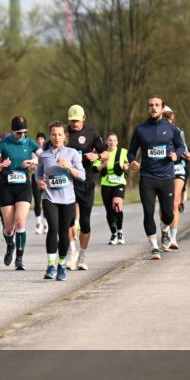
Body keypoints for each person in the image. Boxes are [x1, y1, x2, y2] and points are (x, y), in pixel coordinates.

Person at [127, 95, 186, 260]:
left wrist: (177, 154)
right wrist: (132, 161)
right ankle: (154, 247)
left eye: (156, 105)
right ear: (148, 108)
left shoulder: (172, 128)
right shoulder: (140, 129)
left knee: (168, 215)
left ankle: (165, 228)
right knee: (148, 212)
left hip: (167, 176)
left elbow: (181, 146)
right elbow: (132, 151)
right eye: (150, 105)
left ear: (162, 108)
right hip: (147, 177)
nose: (153, 108)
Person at [0, 116, 41, 271]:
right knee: (9, 228)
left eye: (24, 132)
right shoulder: (4, 144)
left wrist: (33, 162)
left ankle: (19, 258)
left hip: (23, 186)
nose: (21, 135)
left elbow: (44, 157)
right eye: (18, 133)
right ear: (12, 131)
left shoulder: (30, 143)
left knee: (20, 222)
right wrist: (0, 164)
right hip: (6, 187)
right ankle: (10, 246)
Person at [37, 121, 86, 281]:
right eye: (53, 134)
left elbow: (82, 175)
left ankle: (62, 265)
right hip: (50, 197)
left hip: (67, 200)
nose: (56, 137)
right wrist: (40, 182)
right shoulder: (44, 155)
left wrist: (68, 167)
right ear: (49, 136)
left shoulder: (72, 153)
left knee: (64, 232)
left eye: (59, 134)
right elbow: (38, 174)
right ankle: (51, 266)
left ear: (65, 136)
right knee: (53, 228)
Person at [64, 105, 107, 271]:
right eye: (72, 121)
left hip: (86, 182)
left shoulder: (92, 134)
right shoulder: (64, 134)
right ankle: (72, 251)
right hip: (68, 182)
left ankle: (82, 255)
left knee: (85, 223)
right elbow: (51, 148)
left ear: (84, 118)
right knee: (69, 219)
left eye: (77, 120)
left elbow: (106, 154)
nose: (74, 123)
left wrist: (96, 155)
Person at [162, 106, 190, 250]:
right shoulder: (155, 132)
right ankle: (165, 231)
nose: (166, 119)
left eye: (168, 116)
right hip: (163, 168)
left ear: (172, 118)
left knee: (174, 202)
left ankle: (174, 238)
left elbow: (185, 150)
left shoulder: (178, 131)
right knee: (165, 204)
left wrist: (188, 155)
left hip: (178, 167)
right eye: (164, 117)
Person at [94, 133, 128, 245]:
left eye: (114, 140)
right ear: (106, 142)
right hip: (106, 184)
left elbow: (128, 164)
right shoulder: (103, 154)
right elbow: (95, 168)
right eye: (110, 140)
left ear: (117, 142)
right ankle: (113, 233)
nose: (112, 142)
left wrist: (126, 166)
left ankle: (120, 231)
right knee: (109, 210)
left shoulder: (122, 152)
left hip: (119, 183)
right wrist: (102, 166)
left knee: (117, 205)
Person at [32, 132, 48, 235]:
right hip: (35, 178)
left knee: (46, 201)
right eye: (38, 139)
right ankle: (38, 223)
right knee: (37, 201)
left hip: (46, 179)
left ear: (44, 140)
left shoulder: (47, 151)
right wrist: (31, 167)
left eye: (42, 139)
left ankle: (46, 223)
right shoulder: (32, 152)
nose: (40, 140)